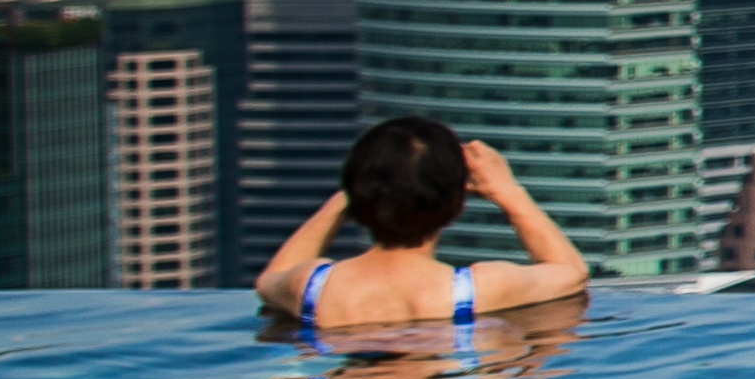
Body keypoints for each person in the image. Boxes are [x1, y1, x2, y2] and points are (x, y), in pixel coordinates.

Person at [250, 117, 594, 338]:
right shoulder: (478, 289)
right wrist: (507, 191)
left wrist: (347, 197)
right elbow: (571, 272)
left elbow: (270, 279)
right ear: (456, 203)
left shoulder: (312, 287)